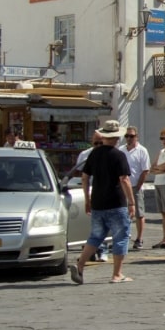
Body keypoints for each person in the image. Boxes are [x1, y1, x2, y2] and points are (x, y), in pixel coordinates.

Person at [69, 120, 135, 285]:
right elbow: (124, 179)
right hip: (115, 202)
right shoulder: (118, 155)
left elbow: (84, 177)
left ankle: (80, 265)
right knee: (120, 237)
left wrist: (87, 198)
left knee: (95, 237)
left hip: (98, 201)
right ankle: (117, 274)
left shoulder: (94, 153)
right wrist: (131, 202)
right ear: (116, 137)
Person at [64, 131, 108, 262]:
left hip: (104, 191)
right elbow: (82, 175)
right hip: (89, 191)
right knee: (88, 222)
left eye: (101, 142)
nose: (99, 145)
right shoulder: (85, 155)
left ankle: (103, 250)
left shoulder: (108, 153)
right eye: (96, 143)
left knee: (102, 222)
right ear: (91, 142)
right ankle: (88, 251)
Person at [120, 126, 151, 250]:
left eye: (131, 136)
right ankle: (124, 236)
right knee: (122, 213)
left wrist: (138, 186)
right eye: (126, 136)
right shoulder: (121, 150)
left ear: (136, 137)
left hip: (135, 185)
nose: (129, 138)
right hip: (122, 185)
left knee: (139, 213)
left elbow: (145, 170)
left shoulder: (142, 150)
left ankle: (139, 238)